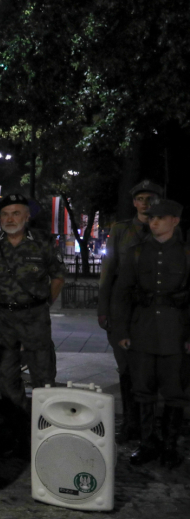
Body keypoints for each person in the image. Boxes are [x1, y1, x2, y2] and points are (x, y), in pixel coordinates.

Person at [0, 194, 65, 433]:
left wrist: (46, 302)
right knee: (6, 377)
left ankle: (46, 430)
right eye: (5, 214)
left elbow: (57, 276)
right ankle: (19, 430)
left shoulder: (43, 241)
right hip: (2, 319)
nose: (10, 218)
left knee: (43, 376)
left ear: (27, 216)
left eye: (16, 213)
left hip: (35, 317)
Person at [114, 199, 188, 469]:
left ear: (175, 221)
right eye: (151, 217)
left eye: (161, 217)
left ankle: (169, 446)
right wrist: (121, 330)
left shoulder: (185, 253)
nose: (154, 221)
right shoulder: (136, 252)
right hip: (142, 330)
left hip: (175, 332)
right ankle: (147, 444)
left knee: (174, 392)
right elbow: (121, 294)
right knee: (143, 391)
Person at [98, 180, 164, 441]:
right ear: (134, 202)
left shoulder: (168, 229)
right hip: (123, 310)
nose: (145, 203)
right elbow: (107, 272)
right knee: (125, 369)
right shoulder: (121, 230)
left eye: (151, 198)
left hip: (155, 312)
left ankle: (150, 429)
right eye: (141, 198)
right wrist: (103, 311)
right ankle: (130, 424)